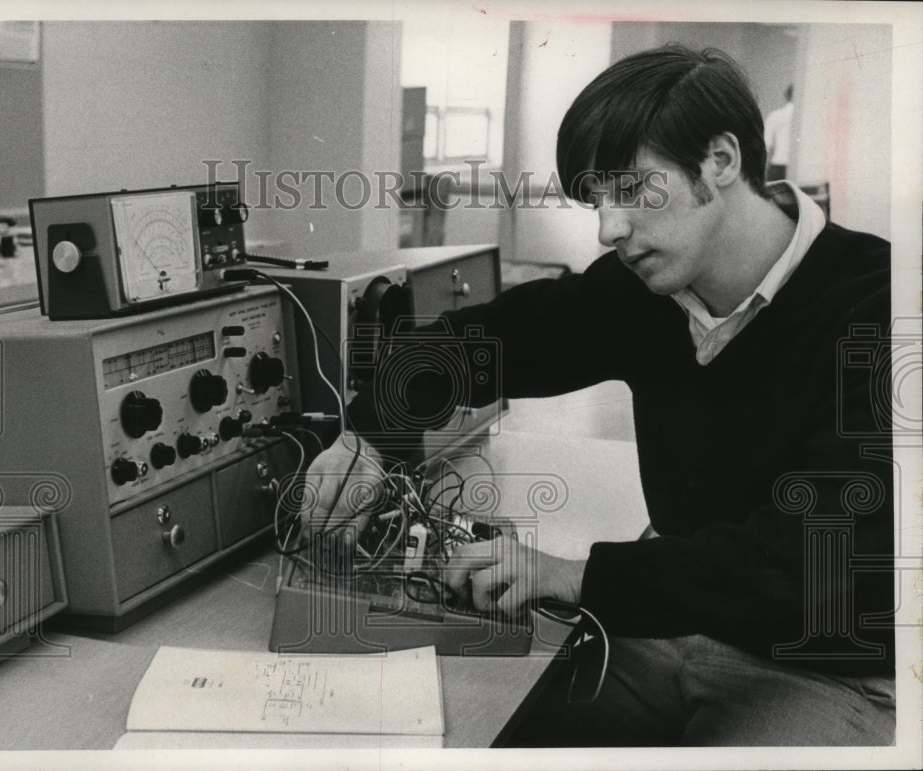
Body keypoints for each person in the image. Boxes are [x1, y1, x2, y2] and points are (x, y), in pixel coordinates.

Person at [302, 45, 894, 746]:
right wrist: (369, 435)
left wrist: (573, 575)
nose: (609, 229)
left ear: (722, 160)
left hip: (827, 664)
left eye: (630, 189)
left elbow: (814, 556)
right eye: (597, 200)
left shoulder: (881, 304)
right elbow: (482, 340)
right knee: (466, 733)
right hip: (669, 628)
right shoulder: (647, 287)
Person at [764, 84, 795, 181]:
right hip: (797, 167)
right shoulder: (806, 117)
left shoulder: (775, 115)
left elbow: (766, 145)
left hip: (778, 165)